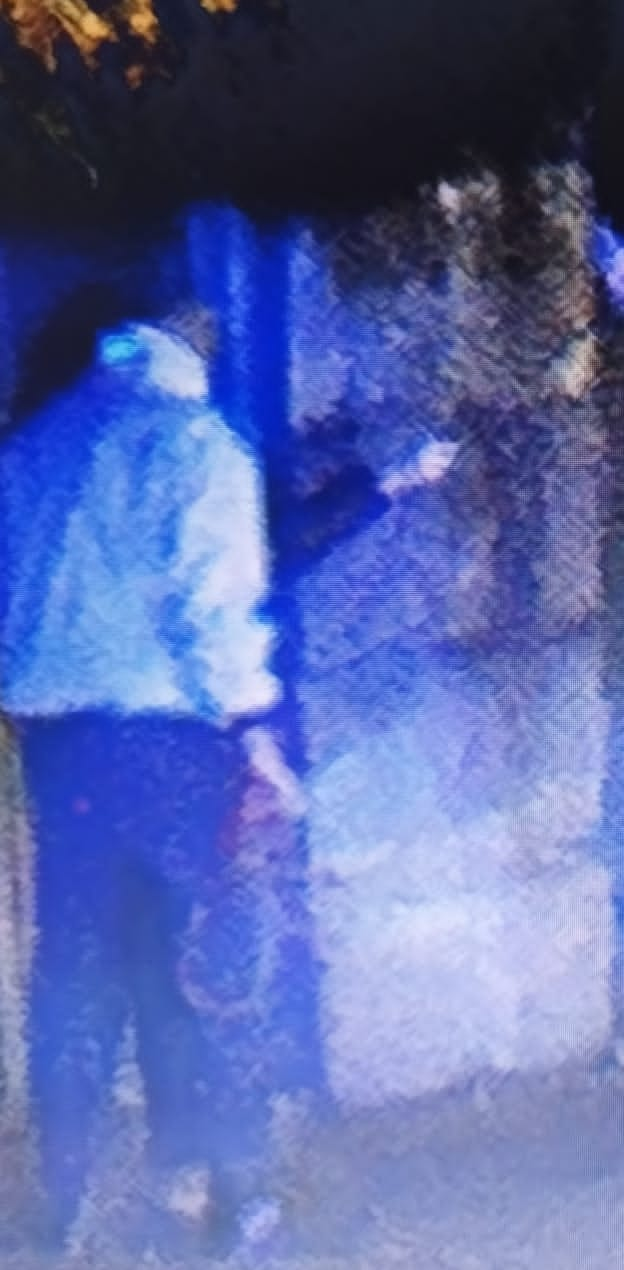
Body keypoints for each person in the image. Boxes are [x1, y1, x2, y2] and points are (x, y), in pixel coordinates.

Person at [0, 280, 302, 1257]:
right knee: (206, 959)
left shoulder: (34, 446)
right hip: (173, 744)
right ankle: (236, 1192)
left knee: (73, 966)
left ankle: (67, 1196)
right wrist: (257, 734)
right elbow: (212, 608)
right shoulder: (197, 444)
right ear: (197, 338)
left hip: (57, 745)